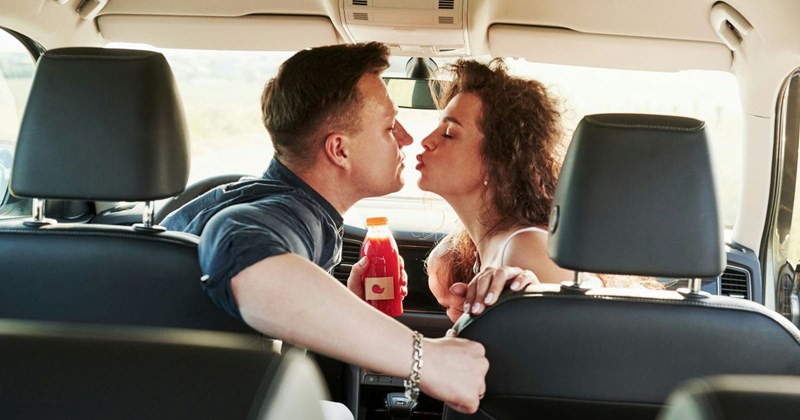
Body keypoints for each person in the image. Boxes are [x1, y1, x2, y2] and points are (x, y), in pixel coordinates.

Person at [162, 42, 488, 413]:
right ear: (339, 150)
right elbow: (240, 248)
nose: (406, 138)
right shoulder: (296, 213)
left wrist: (342, 308)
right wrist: (426, 358)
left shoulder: (232, 194)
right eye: (388, 126)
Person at [416, 59, 574, 322]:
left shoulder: (526, 248)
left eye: (449, 133)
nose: (426, 141)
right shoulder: (482, 248)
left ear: (498, 162)